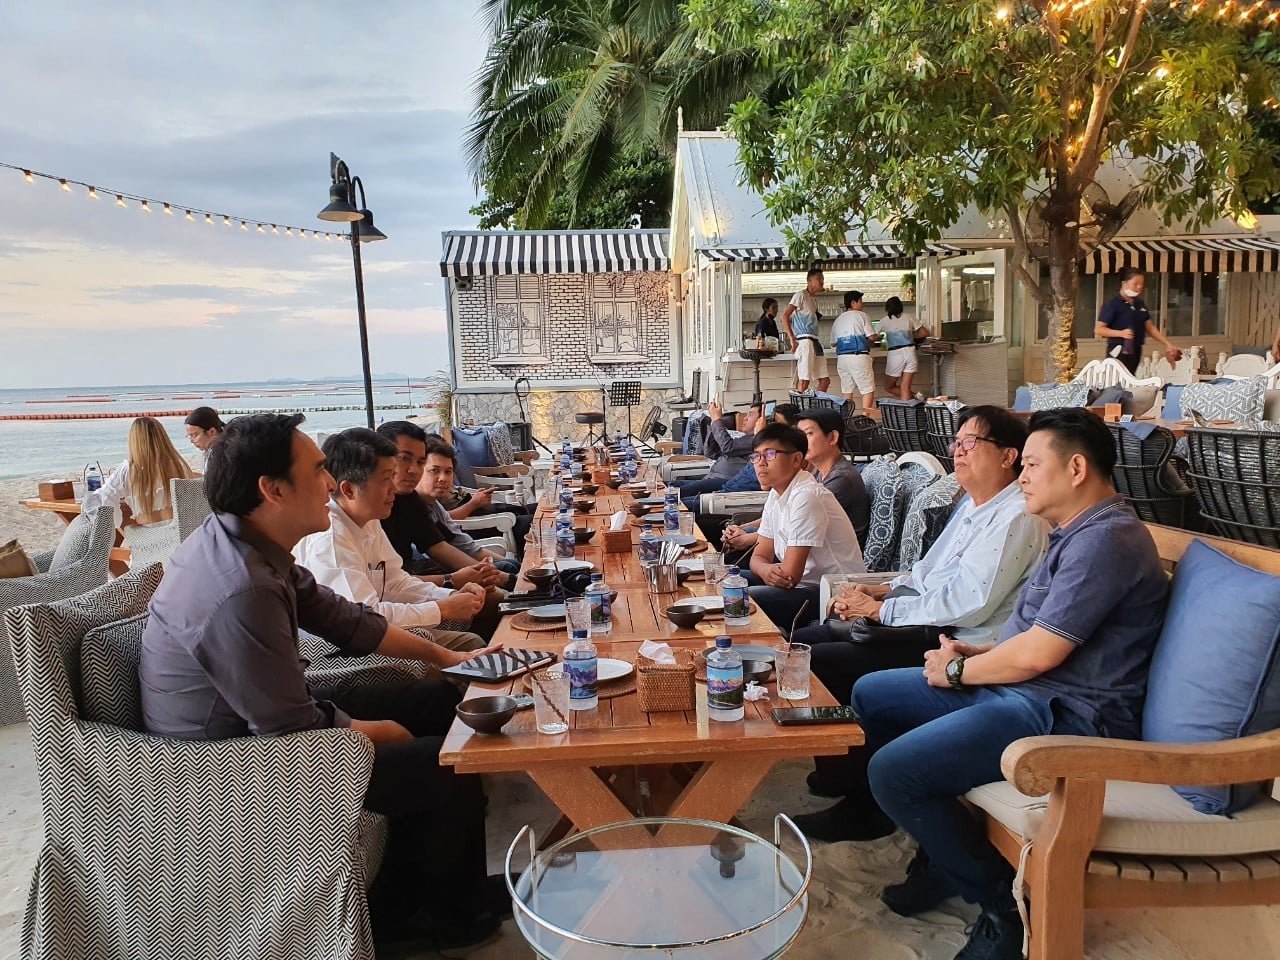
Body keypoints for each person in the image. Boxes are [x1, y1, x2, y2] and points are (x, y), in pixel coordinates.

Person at [138, 413, 507, 950]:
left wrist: (446, 657)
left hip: (265, 721)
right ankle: (423, 919)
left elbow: (349, 621)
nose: (332, 483)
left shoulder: (253, 546)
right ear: (273, 490)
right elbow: (291, 727)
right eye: (317, 470)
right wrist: (378, 733)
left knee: (433, 697)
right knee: (442, 763)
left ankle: (446, 888)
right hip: (228, 768)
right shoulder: (241, 587)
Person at [850, 408, 1169, 960]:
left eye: (1032, 465)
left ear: (1075, 469)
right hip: (1027, 689)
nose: (1021, 476)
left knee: (894, 774)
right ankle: (943, 853)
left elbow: (1041, 653)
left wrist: (957, 671)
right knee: (872, 695)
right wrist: (976, 653)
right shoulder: (1076, 533)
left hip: (1067, 715)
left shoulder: (1106, 540)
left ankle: (1003, 906)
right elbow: (1033, 638)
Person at [790, 406, 1048, 841]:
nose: (957, 451)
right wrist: (880, 591)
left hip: (958, 643)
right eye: (956, 442)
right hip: (928, 624)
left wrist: (880, 612)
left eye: (970, 443)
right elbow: (928, 572)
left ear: (1009, 457)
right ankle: (842, 774)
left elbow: (969, 604)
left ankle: (862, 805)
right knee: (805, 642)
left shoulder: (1018, 516)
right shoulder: (972, 505)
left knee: (821, 662)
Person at [293, 428, 489, 645]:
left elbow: (395, 582)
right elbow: (362, 619)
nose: (394, 488)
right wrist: (441, 609)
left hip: (372, 629)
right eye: (386, 479)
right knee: (470, 643)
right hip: (341, 648)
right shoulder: (330, 539)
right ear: (348, 490)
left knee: (477, 618)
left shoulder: (367, 519)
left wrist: (449, 597)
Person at [747, 422, 865, 633]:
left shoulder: (807, 495)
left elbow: (790, 576)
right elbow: (759, 556)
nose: (761, 463)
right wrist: (765, 569)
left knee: (743, 598)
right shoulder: (776, 493)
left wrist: (766, 569)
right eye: (756, 456)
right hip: (802, 585)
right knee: (728, 583)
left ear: (796, 459)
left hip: (832, 592)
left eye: (770, 454)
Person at [416, 438, 522, 588]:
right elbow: (440, 551)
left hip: (466, 555)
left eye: (448, 472)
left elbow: (465, 544)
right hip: (442, 575)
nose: (443, 478)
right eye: (434, 470)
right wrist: (497, 574)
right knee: (509, 566)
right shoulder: (413, 506)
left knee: (513, 564)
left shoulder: (435, 504)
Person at [89, 416, 194, 527]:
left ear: (134, 441)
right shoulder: (179, 465)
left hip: (147, 535)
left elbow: (104, 497)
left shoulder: (129, 470)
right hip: (180, 532)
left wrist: (116, 521)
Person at [795, 409, 870, 547]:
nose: (801, 442)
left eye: (809, 433)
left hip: (834, 556)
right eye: (799, 435)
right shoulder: (819, 470)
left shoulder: (841, 478)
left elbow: (800, 520)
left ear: (832, 438)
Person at [668, 399, 762, 505]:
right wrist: (714, 422)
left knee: (674, 495)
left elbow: (728, 447)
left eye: (750, 414)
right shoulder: (744, 438)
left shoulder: (756, 440)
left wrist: (717, 421)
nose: (745, 418)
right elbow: (711, 452)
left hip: (724, 481)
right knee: (668, 486)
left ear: (761, 420)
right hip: (712, 477)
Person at [1094, 268, 1181, 374]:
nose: (1139, 287)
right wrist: (1121, 333)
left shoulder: (1139, 304)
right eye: (1135, 284)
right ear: (1124, 283)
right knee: (1117, 378)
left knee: (1131, 376)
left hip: (1136, 349)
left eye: (1141, 284)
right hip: (1118, 349)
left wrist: (1168, 344)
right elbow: (1099, 329)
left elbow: (1150, 328)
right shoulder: (1113, 304)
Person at [780, 268, 831, 393]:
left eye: (822, 279)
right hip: (804, 340)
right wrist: (792, 339)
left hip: (815, 340)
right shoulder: (800, 295)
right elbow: (784, 316)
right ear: (809, 280)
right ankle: (801, 405)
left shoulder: (813, 300)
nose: (821, 281)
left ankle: (816, 403)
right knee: (804, 380)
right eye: (818, 278)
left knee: (825, 380)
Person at [831, 290, 878, 412]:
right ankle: (865, 418)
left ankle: (847, 418)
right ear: (853, 302)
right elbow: (872, 337)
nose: (862, 304)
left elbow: (833, 343)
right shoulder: (862, 315)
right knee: (867, 390)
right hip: (858, 357)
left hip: (842, 360)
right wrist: (878, 337)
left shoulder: (838, 320)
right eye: (860, 301)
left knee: (847, 391)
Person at [880, 296, 930, 400]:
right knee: (905, 387)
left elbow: (873, 336)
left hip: (895, 354)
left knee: (888, 386)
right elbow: (924, 333)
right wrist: (912, 337)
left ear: (887, 308)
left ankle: (916, 399)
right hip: (910, 352)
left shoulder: (884, 320)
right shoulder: (909, 317)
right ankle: (917, 399)